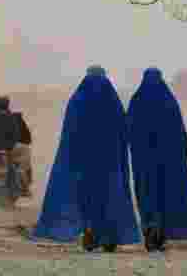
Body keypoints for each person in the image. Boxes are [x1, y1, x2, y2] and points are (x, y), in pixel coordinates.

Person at [32, 65, 140, 252]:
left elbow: (69, 135)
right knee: (109, 198)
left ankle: (90, 232)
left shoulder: (78, 100)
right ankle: (106, 235)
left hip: (83, 165)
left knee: (87, 198)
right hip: (109, 164)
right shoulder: (112, 101)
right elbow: (123, 133)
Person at [126, 67, 187, 251]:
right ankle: (160, 233)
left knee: (147, 194)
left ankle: (150, 228)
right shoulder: (168, 101)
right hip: (168, 161)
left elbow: (129, 130)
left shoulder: (137, 101)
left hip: (144, 162)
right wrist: (182, 156)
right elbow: (180, 133)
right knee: (166, 195)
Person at [1, 95, 34, 197]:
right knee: (25, 152)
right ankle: (25, 184)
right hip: (10, 149)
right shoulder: (15, 117)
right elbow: (26, 137)